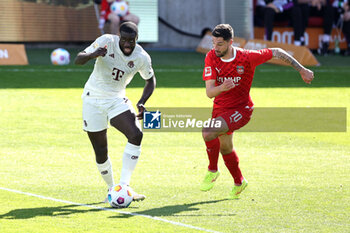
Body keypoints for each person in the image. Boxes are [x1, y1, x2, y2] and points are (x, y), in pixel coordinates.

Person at [200, 24, 314, 199]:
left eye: (220, 44)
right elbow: (209, 93)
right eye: (213, 43)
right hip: (220, 108)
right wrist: (222, 87)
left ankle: (212, 170)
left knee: (208, 131)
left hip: (241, 109)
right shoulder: (211, 57)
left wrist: (302, 69)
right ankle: (239, 182)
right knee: (225, 147)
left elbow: (276, 51)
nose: (215, 47)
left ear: (231, 42)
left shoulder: (247, 57)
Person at [74, 22, 156, 202]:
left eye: (131, 41)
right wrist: (93, 54)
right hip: (92, 98)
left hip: (116, 99)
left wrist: (142, 101)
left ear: (137, 39)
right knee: (101, 150)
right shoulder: (106, 41)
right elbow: (78, 59)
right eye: (124, 40)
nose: (127, 44)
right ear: (119, 37)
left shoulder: (142, 57)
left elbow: (150, 80)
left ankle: (124, 187)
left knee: (136, 135)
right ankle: (112, 189)